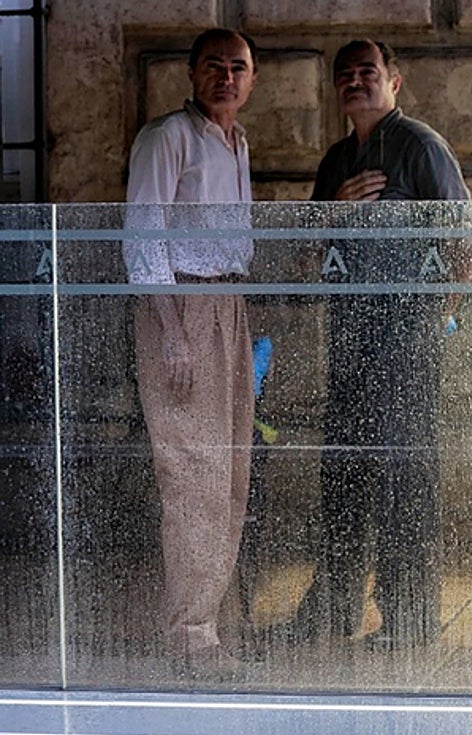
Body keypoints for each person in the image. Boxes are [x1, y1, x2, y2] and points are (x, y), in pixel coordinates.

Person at [295, 39, 472, 651]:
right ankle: (332, 608)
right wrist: (336, 213)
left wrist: (437, 319)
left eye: (366, 72)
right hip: (348, 340)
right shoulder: (336, 159)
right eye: (343, 75)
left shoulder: (421, 147)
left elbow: (465, 244)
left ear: (394, 81)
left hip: (408, 342)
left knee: (404, 476)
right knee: (343, 472)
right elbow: (307, 251)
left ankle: (410, 618)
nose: (355, 82)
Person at [124, 28, 258, 681]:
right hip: (180, 309)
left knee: (231, 474)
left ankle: (208, 619)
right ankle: (189, 635)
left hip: (228, 308)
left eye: (238, 68)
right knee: (193, 475)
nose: (226, 78)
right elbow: (143, 236)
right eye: (215, 66)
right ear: (191, 73)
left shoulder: (236, 142)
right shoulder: (167, 137)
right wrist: (173, 332)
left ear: (252, 79)